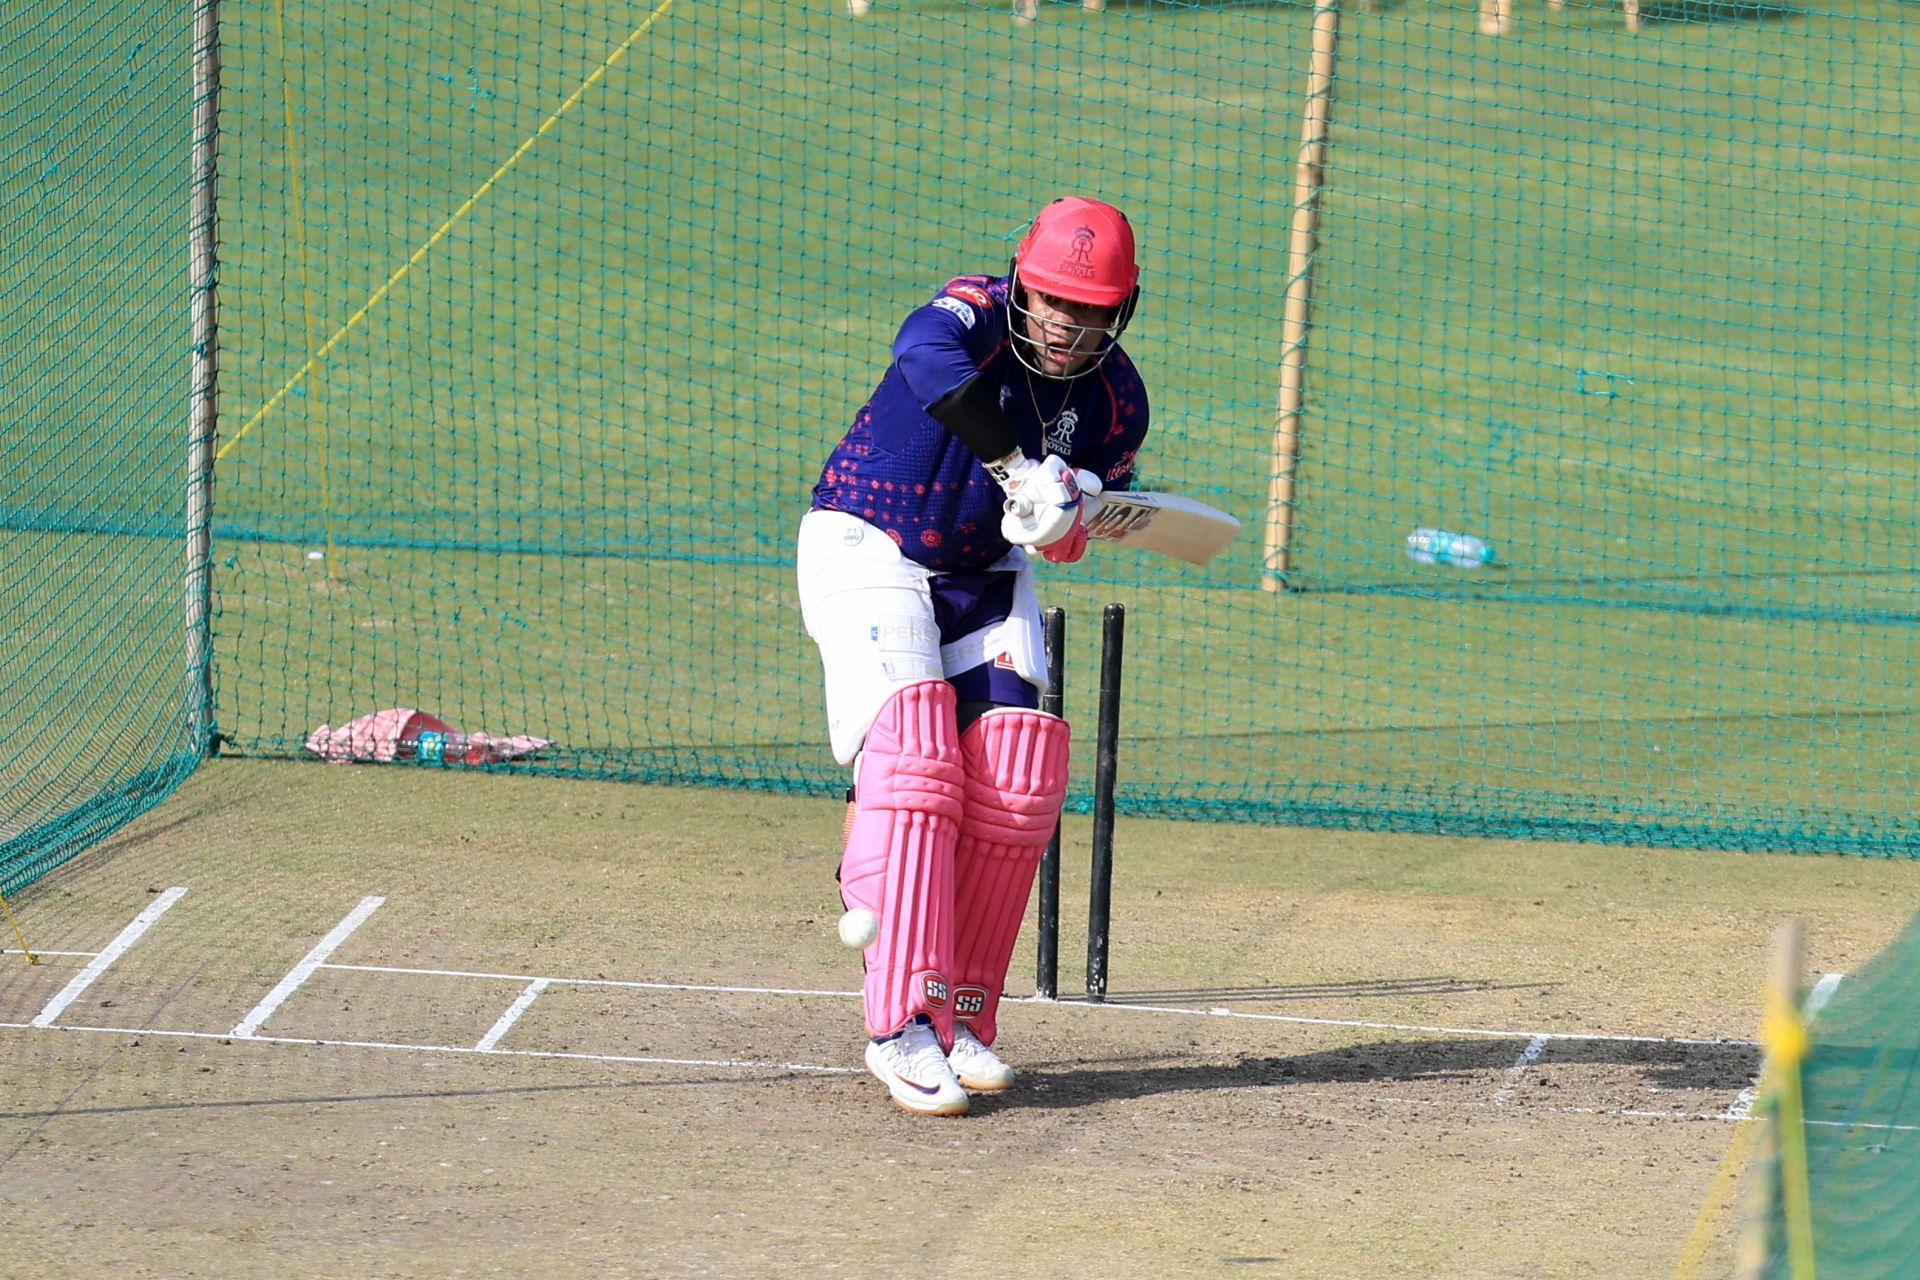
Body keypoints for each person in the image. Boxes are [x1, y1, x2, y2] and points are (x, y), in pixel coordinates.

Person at [795, 197, 1151, 1116]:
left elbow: (1081, 518)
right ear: (1023, 282)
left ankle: (963, 1016)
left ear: (1122, 313)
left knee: (1020, 771)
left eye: (1091, 312)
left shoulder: (1116, 399)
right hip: (867, 537)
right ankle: (901, 1027)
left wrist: (1067, 514)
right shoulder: (973, 316)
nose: (1067, 327)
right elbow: (923, 359)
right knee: (917, 752)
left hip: (978, 569)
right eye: (1054, 302)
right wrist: (1013, 470)